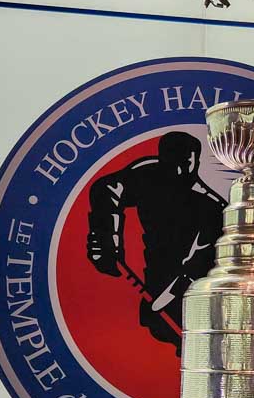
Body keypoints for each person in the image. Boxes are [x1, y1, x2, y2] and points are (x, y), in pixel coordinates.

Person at [86, 131, 226, 353]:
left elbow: (197, 267)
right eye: (172, 163)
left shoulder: (212, 208)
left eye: (186, 164)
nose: (179, 171)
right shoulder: (148, 176)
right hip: (153, 272)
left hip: (192, 291)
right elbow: (106, 189)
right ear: (163, 159)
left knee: (188, 341)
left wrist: (165, 300)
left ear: (196, 161)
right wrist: (107, 237)